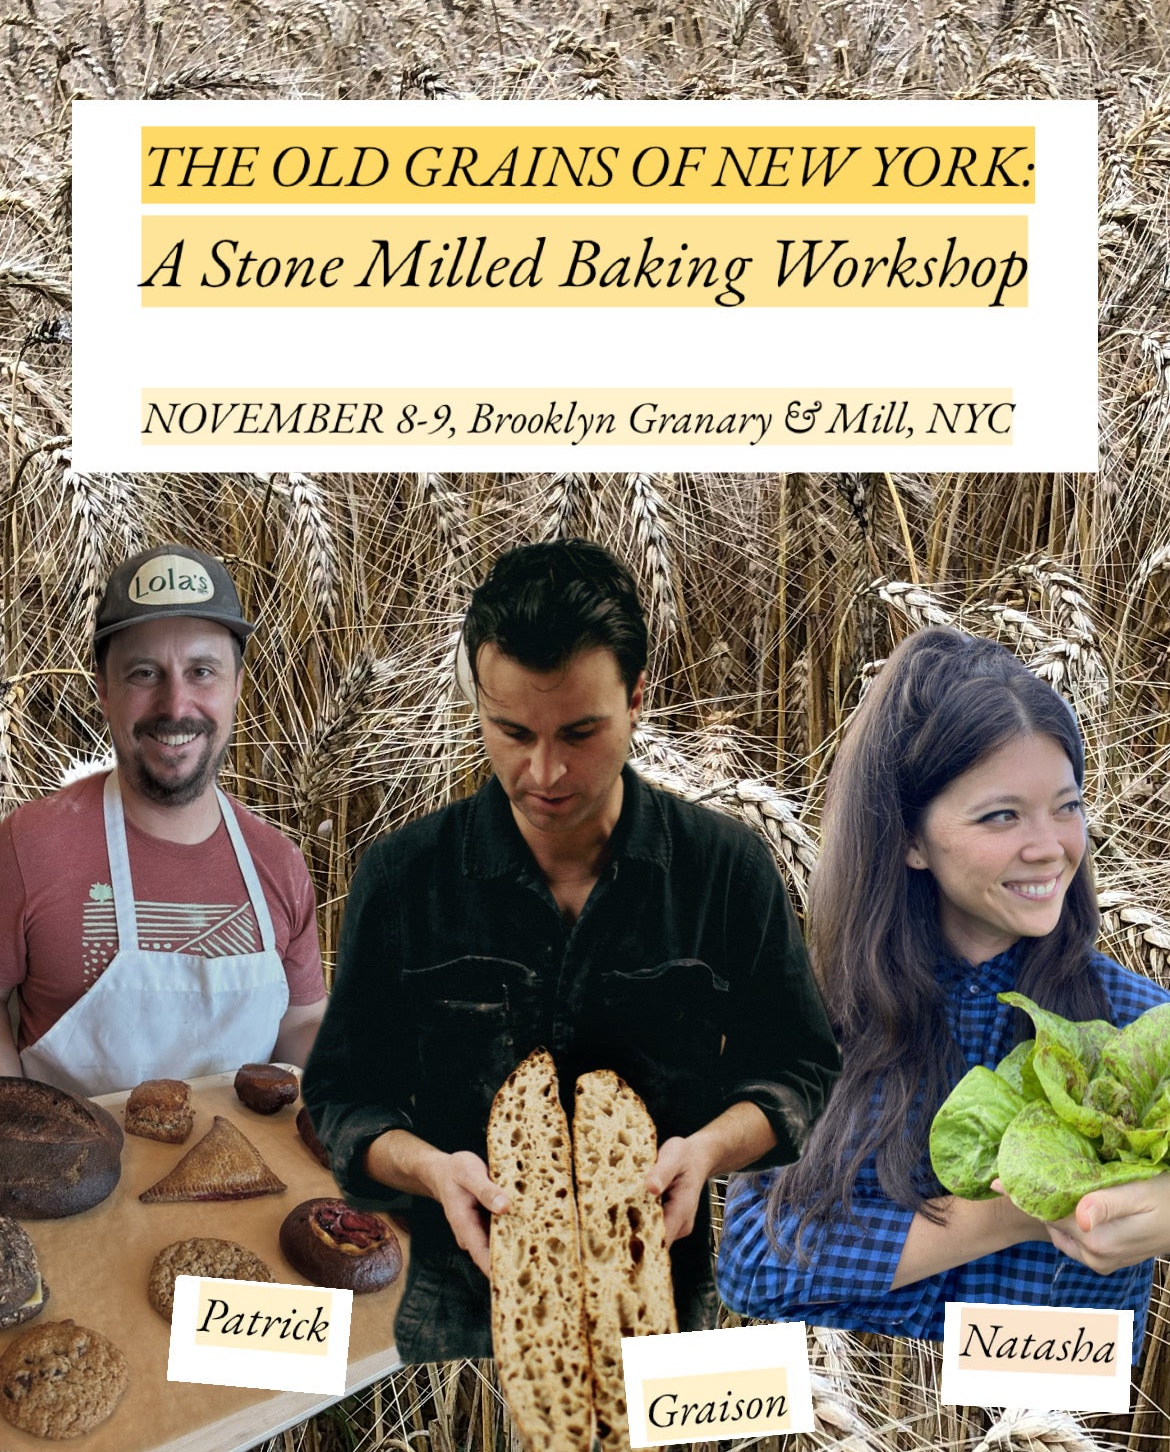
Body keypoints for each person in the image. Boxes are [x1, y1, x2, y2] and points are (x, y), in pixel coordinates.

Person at [303, 537, 840, 1364]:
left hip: (661, 1315)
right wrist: (432, 1171)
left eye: (580, 732)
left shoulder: (725, 870)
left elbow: (800, 1066)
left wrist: (706, 1152)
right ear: (477, 704)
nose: (544, 771)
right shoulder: (403, 878)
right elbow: (344, 1093)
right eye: (511, 731)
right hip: (454, 1330)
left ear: (637, 698)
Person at [716, 626, 1170, 1357]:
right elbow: (752, 1264)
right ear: (910, 839)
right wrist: (1015, 1210)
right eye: (1001, 815)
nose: (1050, 845)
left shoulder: (1137, 1024)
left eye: (1066, 806)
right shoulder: (818, 1020)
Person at [0, 544, 327, 1096]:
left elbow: (299, 1024)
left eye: (202, 671)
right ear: (104, 691)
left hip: (250, 1180)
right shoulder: (26, 849)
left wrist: (363, 1079)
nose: (176, 705)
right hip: (79, 1178)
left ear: (236, 686)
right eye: (144, 673)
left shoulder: (279, 863)